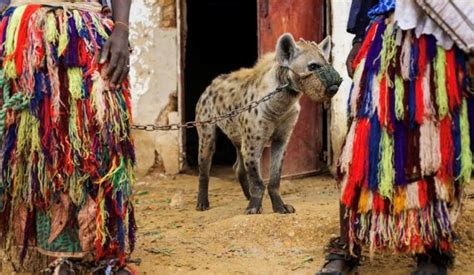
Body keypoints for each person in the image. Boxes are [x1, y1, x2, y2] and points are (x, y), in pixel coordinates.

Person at [318, 0, 473, 274]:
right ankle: (348, 245)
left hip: (444, 45)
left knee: (432, 148)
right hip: (386, 37)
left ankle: (433, 251)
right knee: (363, 146)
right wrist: (359, 37)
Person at [0, 0, 136, 274]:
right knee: (41, 148)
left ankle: (105, 253)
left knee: (103, 140)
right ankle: (58, 257)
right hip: (28, 32)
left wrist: (121, 29)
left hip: (88, 29)